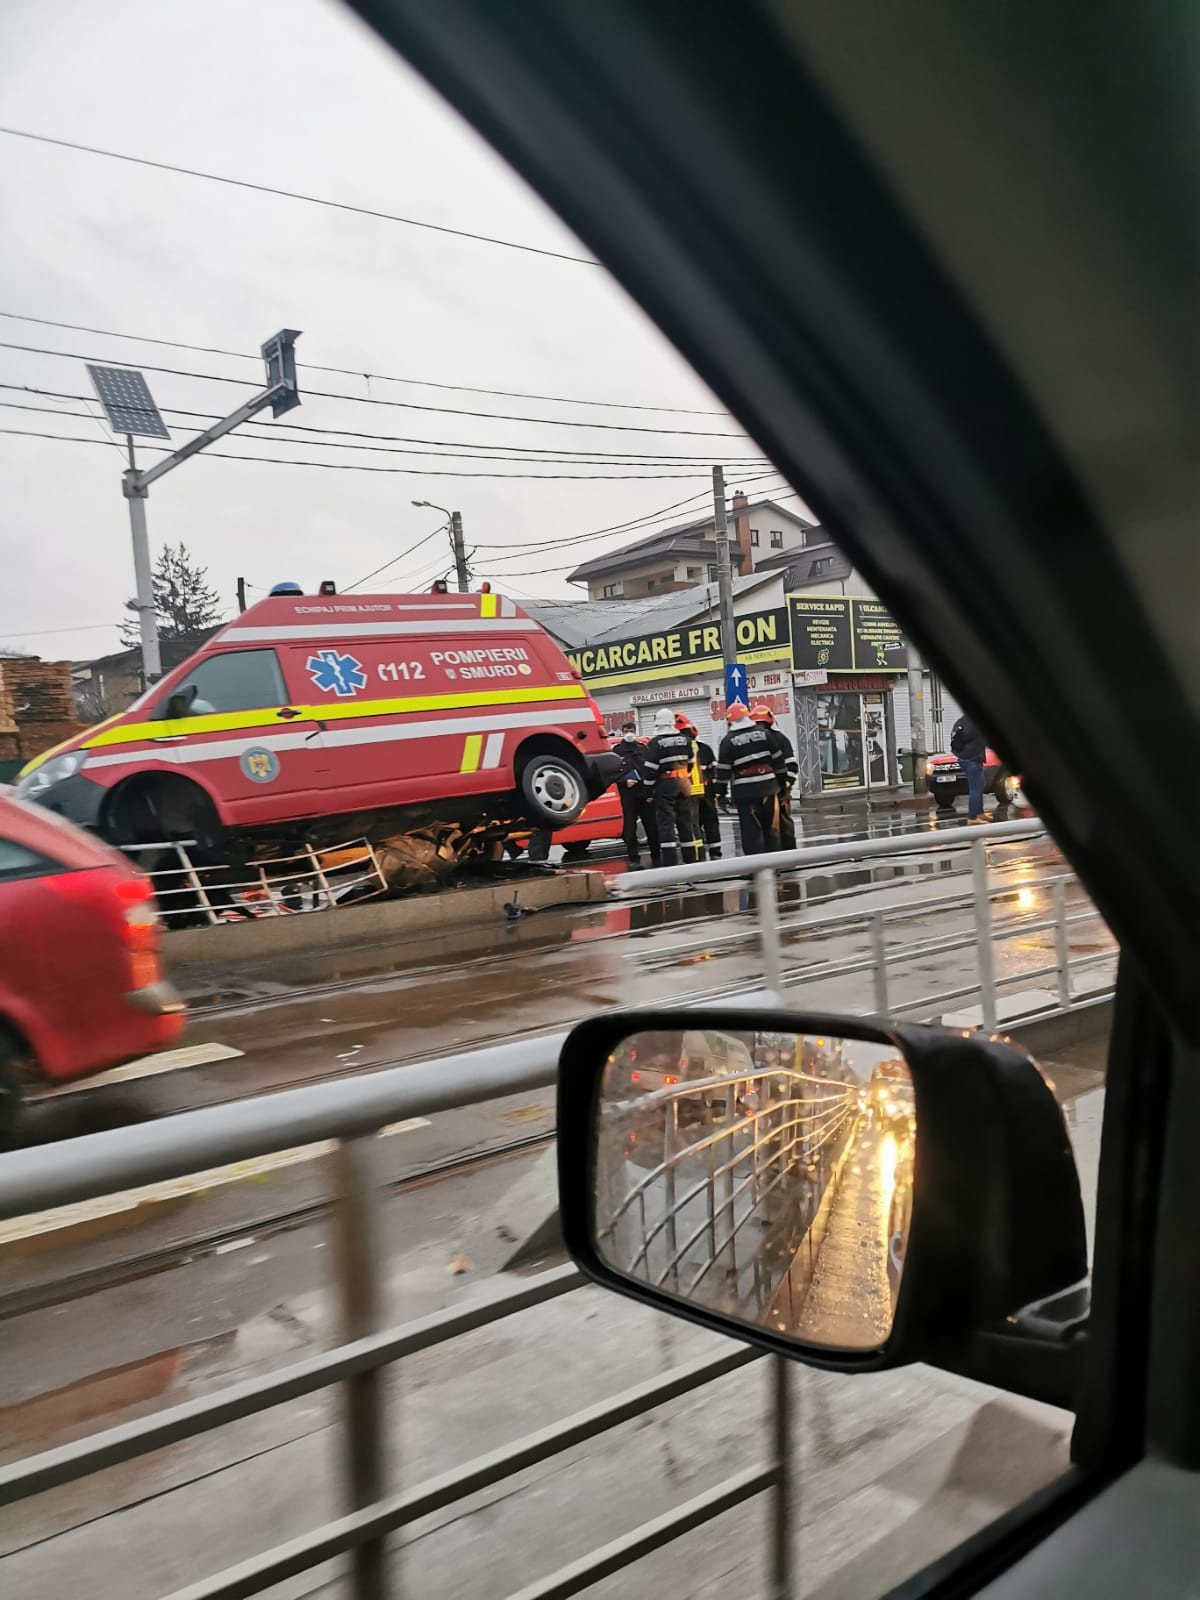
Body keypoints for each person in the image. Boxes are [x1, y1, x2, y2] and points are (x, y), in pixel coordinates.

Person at [715, 703, 791, 855]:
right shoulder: (765, 734)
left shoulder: (727, 742)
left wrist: (720, 795)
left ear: (730, 721)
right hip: (769, 788)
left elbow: (723, 772)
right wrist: (784, 786)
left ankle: (755, 865)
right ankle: (775, 862)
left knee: (751, 833)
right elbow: (778, 763)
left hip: (745, 793)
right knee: (772, 829)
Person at [642, 708, 698, 866]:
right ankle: (690, 860)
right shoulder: (687, 740)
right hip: (684, 782)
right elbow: (691, 763)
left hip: (665, 784)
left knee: (666, 823)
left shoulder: (655, 743)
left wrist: (648, 792)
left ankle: (670, 862)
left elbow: (650, 770)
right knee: (685, 821)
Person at [749, 703, 798, 850]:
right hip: (775, 788)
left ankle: (771, 855)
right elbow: (791, 766)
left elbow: (790, 765)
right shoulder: (779, 738)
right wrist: (786, 785)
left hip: (762, 790)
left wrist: (785, 786)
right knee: (782, 824)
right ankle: (787, 855)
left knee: (762, 827)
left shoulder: (752, 740)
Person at [612, 722, 661, 867]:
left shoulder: (642, 748)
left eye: (631, 730)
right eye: (626, 730)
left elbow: (651, 768)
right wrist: (624, 781)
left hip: (644, 791)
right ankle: (633, 858)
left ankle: (656, 855)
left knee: (651, 826)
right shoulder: (616, 751)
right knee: (630, 828)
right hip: (628, 793)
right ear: (622, 732)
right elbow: (612, 773)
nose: (629, 733)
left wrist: (651, 790)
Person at [678, 714, 722, 860]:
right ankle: (715, 853)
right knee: (710, 822)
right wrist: (716, 792)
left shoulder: (680, 749)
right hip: (705, 792)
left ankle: (698, 854)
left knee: (693, 825)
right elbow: (714, 772)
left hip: (689, 793)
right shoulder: (704, 749)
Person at [950, 711, 988, 823]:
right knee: (975, 789)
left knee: (980, 785)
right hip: (973, 758)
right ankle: (972, 817)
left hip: (963, 757)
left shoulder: (962, 720)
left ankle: (979, 813)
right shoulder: (975, 723)